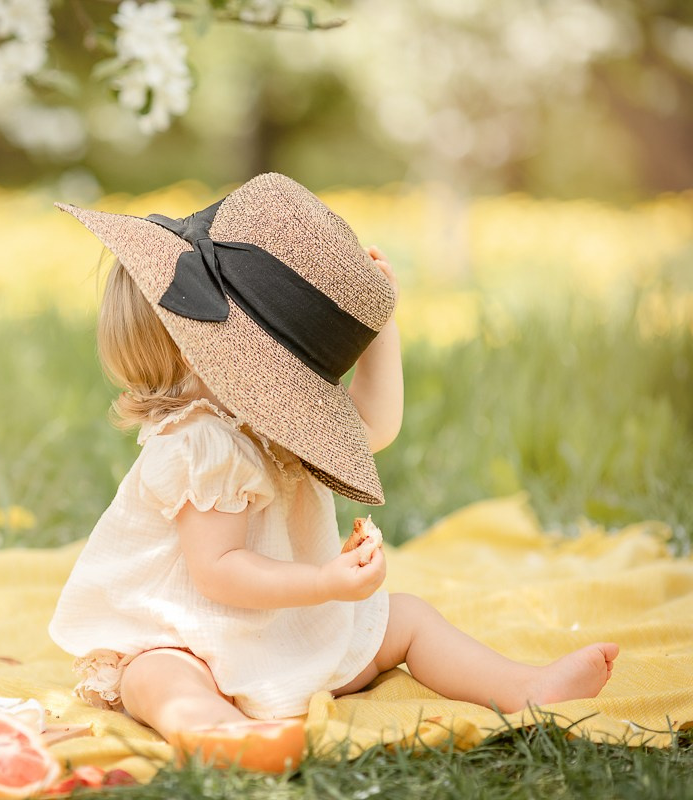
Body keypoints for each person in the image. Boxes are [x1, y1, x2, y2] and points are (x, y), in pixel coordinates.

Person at [47, 173, 618, 759]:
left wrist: (381, 327)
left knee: (408, 619)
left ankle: (523, 687)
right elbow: (219, 571)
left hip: (275, 627)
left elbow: (375, 424)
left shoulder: (272, 419)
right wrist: (323, 584)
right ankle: (219, 732)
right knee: (157, 676)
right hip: (189, 633)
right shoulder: (201, 442)